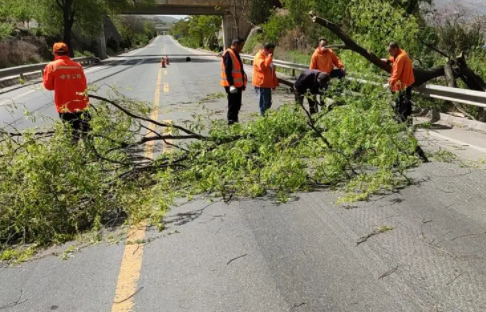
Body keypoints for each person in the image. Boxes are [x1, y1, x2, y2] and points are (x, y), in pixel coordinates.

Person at [43, 42, 90, 143]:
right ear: (67, 52)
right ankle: (91, 152)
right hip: (82, 104)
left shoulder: (52, 66)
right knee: (86, 131)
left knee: (72, 133)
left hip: (65, 106)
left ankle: (74, 155)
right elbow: (84, 83)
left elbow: (48, 86)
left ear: (54, 53)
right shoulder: (77, 65)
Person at [382, 42, 415, 122]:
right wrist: (388, 60)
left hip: (404, 84)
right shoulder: (401, 53)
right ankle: (407, 122)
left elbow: (397, 73)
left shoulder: (400, 58)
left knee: (402, 104)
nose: (389, 53)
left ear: (395, 49)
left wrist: (389, 83)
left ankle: (402, 122)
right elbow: (393, 58)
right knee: (406, 104)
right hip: (406, 83)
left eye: (390, 51)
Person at [220, 37, 247, 125]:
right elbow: (228, 71)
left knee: (237, 105)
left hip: (238, 85)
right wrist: (231, 85)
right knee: (233, 106)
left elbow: (239, 70)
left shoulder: (235, 53)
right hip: (232, 85)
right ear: (235, 44)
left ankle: (235, 122)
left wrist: (242, 84)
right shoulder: (229, 54)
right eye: (241, 45)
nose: (242, 48)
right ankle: (231, 123)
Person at [252, 43, 279, 116]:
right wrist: (269, 58)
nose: (272, 53)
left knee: (268, 103)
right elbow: (263, 67)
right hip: (262, 84)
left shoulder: (267, 57)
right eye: (271, 51)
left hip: (267, 84)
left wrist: (274, 83)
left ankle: (265, 119)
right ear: (266, 50)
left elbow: (271, 72)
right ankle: (263, 121)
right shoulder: (259, 56)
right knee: (264, 105)